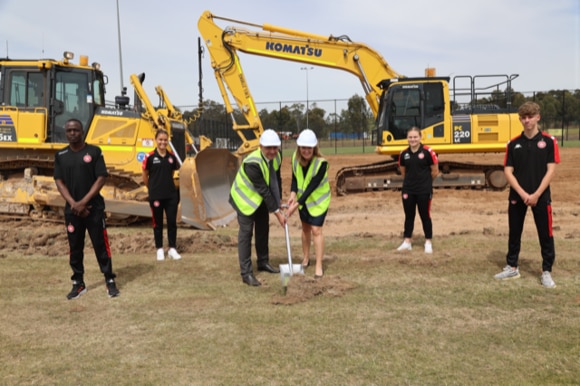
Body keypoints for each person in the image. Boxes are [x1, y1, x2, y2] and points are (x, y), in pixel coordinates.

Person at [494, 101, 560, 288]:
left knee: (545, 234)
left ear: (538, 117)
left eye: (530, 117)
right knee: (514, 232)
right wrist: (523, 193)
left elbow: (551, 171)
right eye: (523, 117)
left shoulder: (549, 142)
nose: (527, 121)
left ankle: (546, 271)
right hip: (518, 196)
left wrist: (537, 194)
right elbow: (508, 171)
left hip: (541, 196)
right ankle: (512, 267)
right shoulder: (514, 143)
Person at [54, 118, 120, 299]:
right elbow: (59, 181)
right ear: (65, 133)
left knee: (101, 245)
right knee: (75, 247)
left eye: (75, 130)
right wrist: (74, 204)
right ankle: (78, 283)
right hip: (72, 211)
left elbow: (101, 178)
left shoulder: (94, 152)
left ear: (82, 131)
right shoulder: (61, 156)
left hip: (94, 209)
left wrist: (83, 202)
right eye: (69, 130)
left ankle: (109, 280)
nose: (72, 133)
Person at [229, 129, 286, 286]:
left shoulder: (277, 156)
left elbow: (276, 179)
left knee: (263, 228)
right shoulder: (252, 163)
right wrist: (278, 213)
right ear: (261, 146)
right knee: (246, 234)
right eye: (269, 148)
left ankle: (263, 262)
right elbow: (264, 190)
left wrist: (278, 199)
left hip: (259, 199)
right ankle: (246, 273)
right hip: (244, 199)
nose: (272, 151)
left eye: (275, 147)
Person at [286, 129, 330, 278]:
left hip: (318, 202)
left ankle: (319, 265)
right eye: (303, 148)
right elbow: (295, 179)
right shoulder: (295, 159)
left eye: (309, 148)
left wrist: (296, 204)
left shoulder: (321, 164)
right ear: (299, 148)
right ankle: (306, 258)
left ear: (314, 148)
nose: (306, 151)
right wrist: (292, 194)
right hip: (303, 202)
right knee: (305, 229)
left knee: (316, 230)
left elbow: (312, 186)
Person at [396, 126, 439, 253]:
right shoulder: (404, 154)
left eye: (415, 137)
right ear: (407, 138)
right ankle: (407, 241)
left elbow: (435, 171)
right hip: (408, 190)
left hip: (424, 190)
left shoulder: (428, 151)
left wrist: (424, 183)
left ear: (420, 137)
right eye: (410, 137)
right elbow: (403, 171)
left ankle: (428, 242)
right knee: (409, 216)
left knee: (425, 215)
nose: (413, 139)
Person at [142, 129, 182, 261]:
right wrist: (152, 188)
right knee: (157, 223)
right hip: (156, 195)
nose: (163, 142)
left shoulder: (171, 157)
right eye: (160, 140)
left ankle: (172, 248)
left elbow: (171, 174)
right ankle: (159, 249)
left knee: (172, 222)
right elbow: (145, 175)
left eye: (165, 140)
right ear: (156, 140)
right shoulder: (150, 157)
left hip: (170, 195)